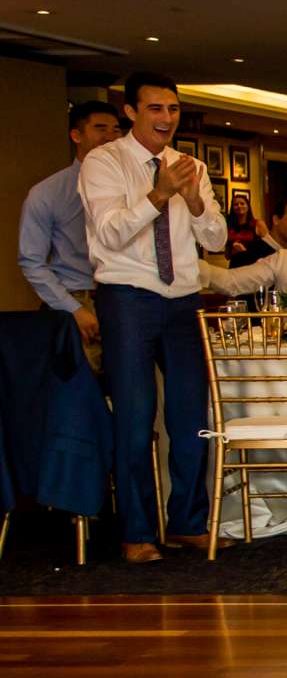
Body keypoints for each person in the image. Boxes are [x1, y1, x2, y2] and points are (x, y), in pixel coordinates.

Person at [80, 71, 225, 562]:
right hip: (128, 298)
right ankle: (137, 532)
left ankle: (188, 522)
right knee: (137, 420)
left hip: (184, 298)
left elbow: (218, 240)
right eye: (155, 109)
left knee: (191, 418)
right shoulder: (104, 163)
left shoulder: (192, 166)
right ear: (130, 112)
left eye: (173, 109)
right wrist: (158, 195)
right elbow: (110, 233)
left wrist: (194, 200)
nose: (167, 119)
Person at [18, 100, 121, 358]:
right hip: (78, 296)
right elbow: (31, 261)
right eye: (100, 129)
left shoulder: (135, 188)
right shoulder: (48, 193)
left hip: (127, 295)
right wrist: (73, 308)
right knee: (81, 386)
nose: (110, 137)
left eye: (116, 130)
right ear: (76, 135)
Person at [221, 190, 265, 264]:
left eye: (242, 203)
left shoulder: (258, 224)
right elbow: (227, 256)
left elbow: (268, 250)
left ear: (248, 206)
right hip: (234, 267)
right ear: (233, 208)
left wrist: (244, 250)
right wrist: (233, 251)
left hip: (252, 267)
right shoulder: (229, 227)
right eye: (236, 204)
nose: (239, 206)